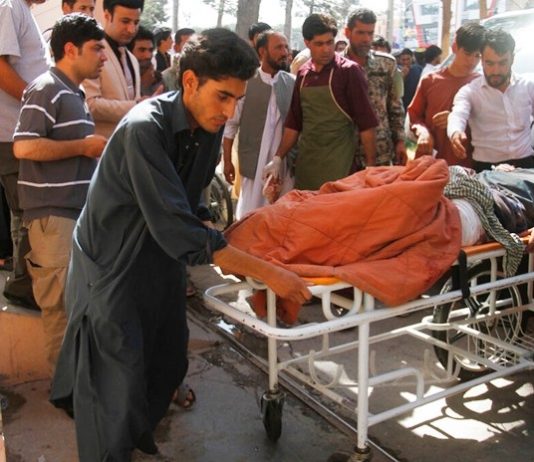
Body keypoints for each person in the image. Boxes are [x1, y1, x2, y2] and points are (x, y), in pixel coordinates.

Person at [49, 28, 311, 461]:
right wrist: (270, 273)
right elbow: (178, 228)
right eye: (222, 97)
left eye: (237, 100)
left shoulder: (205, 126)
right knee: (114, 384)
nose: (228, 112)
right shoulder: (144, 129)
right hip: (113, 266)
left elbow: (192, 202)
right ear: (189, 81)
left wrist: (226, 233)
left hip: (161, 259)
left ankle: (138, 433)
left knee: (167, 358)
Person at [12, 13, 107, 371]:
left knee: (78, 305)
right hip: (54, 217)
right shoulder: (46, 88)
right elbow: (24, 147)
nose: (103, 57)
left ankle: (78, 385)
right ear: (70, 49)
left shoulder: (73, 93)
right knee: (62, 309)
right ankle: (66, 389)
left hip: (73, 216)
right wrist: (82, 147)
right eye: (96, 48)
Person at [264, 14, 378, 191]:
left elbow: (366, 124)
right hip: (307, 164)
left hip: (339, 166)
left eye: (330, 42)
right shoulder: (303, 74)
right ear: (307, 43)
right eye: (319, 44)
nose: (326, 49)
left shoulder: (349, 72)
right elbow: (294, 124)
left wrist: (370, 169)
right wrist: (278, 158)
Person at [0, 0, 50, 309]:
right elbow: (1, 69)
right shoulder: (10, 7)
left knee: (26, 211)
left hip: (23, 131)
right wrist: (40, 103)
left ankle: (26, 282)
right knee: (26, 211)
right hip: (12, 134)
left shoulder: (22, 10)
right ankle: (23, 285)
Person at [223, 30, 295, 219]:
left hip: (283, 163)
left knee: (281, 215)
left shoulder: (292, 83)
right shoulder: (246, 82)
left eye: (286, 47)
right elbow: (231, 125)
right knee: (250, 213)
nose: (285, 52)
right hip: (254, 161)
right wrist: (228, 161)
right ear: (262, 51)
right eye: (278, 47)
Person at [448, 29, 534, 172]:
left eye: (502, 63)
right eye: (489, 63)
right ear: (482, 60)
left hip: (526, 166)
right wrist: (455, 133)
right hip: (487, 171)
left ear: (512, 59)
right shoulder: (470, 92)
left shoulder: (528, 86)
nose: (496, 71)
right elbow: (458, 114)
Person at [408, 22, 486, 167]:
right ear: (455, 47)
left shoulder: (482, 85)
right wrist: (423, 132)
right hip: (431, 163)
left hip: (467, 166)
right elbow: (414, 115)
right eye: (467, 54)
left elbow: (489, 122)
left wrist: (456, 118)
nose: (472, 61)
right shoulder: (430, 80)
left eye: (477, 56)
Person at [344, 8, 406, 168]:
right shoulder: (336, 66)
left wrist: (400, 141)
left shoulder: (387, 64)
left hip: (380, 151)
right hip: (345, 153)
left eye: (370, 33)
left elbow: (396, 106)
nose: (366, 39)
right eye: (360, 33)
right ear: (347, 32)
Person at [84, 0, 142, 137]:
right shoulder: (90, 52)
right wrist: (136, 106)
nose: (131, 29)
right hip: (102, 146)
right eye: (125, 21)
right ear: (107, 15)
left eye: (136, 22)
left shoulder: (133, 59)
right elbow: (90, 104)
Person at [128, 26, 163, 96]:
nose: (148, 56)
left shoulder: (158, 80)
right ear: (129, 52)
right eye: (142, 50)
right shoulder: (122, 77)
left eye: (150, 50)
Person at [161, 27, 195, 91]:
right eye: (187, 45)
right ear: (176, 48)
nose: (193, 48)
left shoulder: (206, 75)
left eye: (195, 44)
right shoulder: (166, 78)